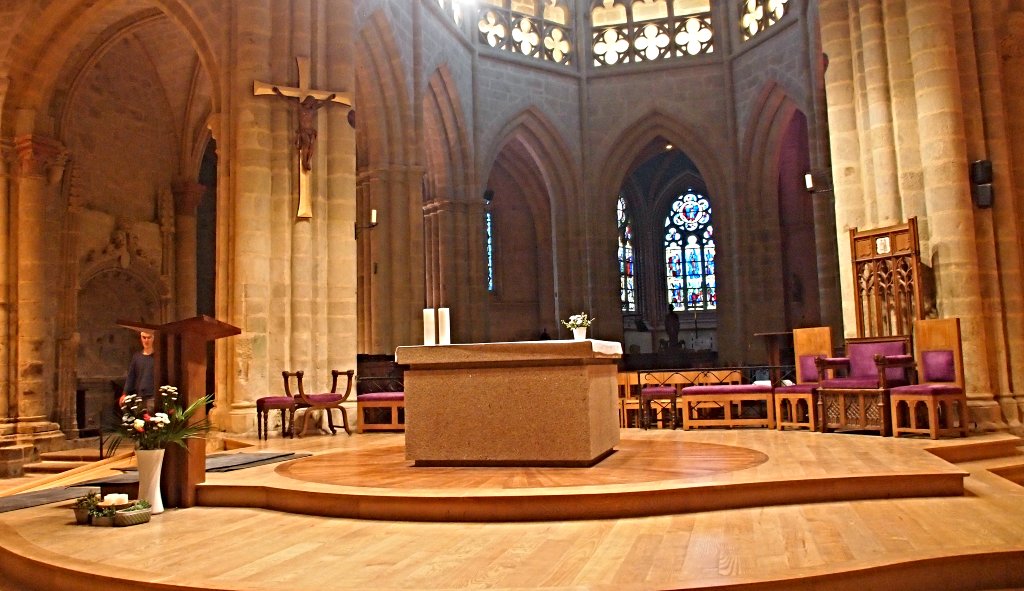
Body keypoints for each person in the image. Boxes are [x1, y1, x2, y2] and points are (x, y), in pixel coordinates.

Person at [273, 88, 336, 173]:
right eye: (311, 102)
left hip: (310, 130)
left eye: (312, 103)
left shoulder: (312, 110)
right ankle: (304, 162)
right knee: (306, 143)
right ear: (307, 101)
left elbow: (323, 104)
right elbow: (287, 100)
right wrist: (278, 92)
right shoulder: (300, 108)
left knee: (312, 145)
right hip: (303, 130)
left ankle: (308, 161)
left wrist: (330, 98)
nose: (312, 104)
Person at [123, 331, 156, 405]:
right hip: (139, 395)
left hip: (153, 396)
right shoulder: (136, 357)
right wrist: (125, 393)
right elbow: (131, 376)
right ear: (141, 338)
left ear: (153, 338)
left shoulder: (157, 357)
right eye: (144, 337)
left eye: (149, 338)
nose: (146, 340)